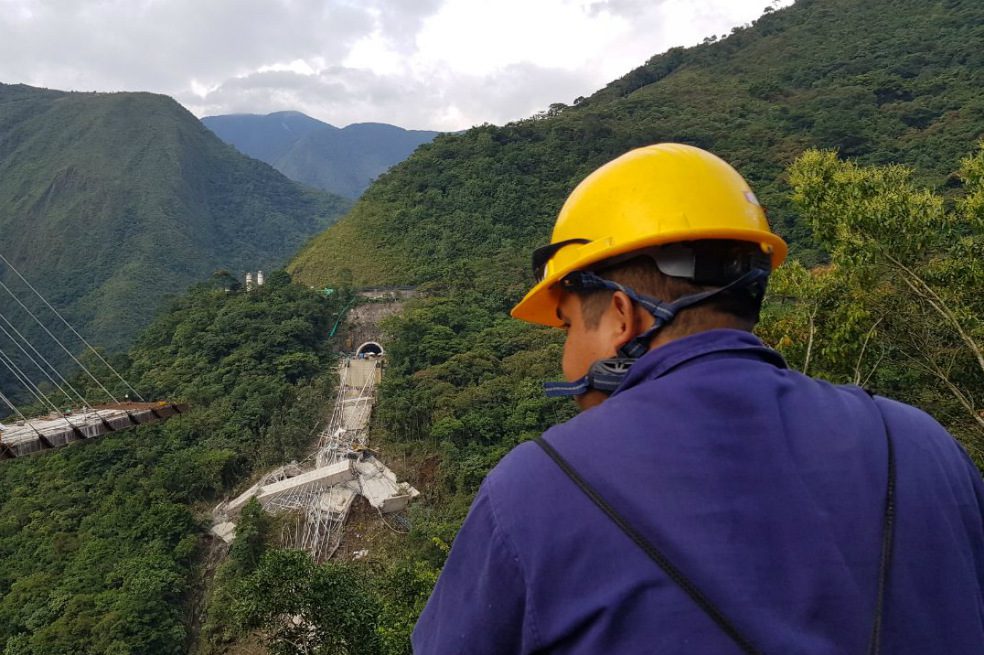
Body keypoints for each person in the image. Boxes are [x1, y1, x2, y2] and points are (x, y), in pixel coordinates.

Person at [411, 144, 984, 654]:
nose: (566, 359)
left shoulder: (535, 489)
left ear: (619, 316)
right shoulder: (921, 442)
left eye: (566, 328)